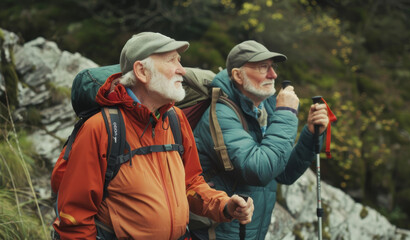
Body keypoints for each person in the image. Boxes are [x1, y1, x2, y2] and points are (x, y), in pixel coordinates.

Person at [51, 32, 254, 240]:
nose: (182, 70)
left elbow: (191, 183)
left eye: (180, 61)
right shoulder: (101, 128)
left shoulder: (175, 119)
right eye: (171, 60)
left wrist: (224, 205)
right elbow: (75, 219)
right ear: (141, 71)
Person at [192, 40, 329, 239]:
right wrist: (287, 112)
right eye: (263, 67)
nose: (273, 74)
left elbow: (284, 173)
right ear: (238, 75)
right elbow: (259, 170)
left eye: (272, 67)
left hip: (251, 232)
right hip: (220, 233)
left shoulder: (265, 109)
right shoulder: (221, 115)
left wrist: (310, 134)